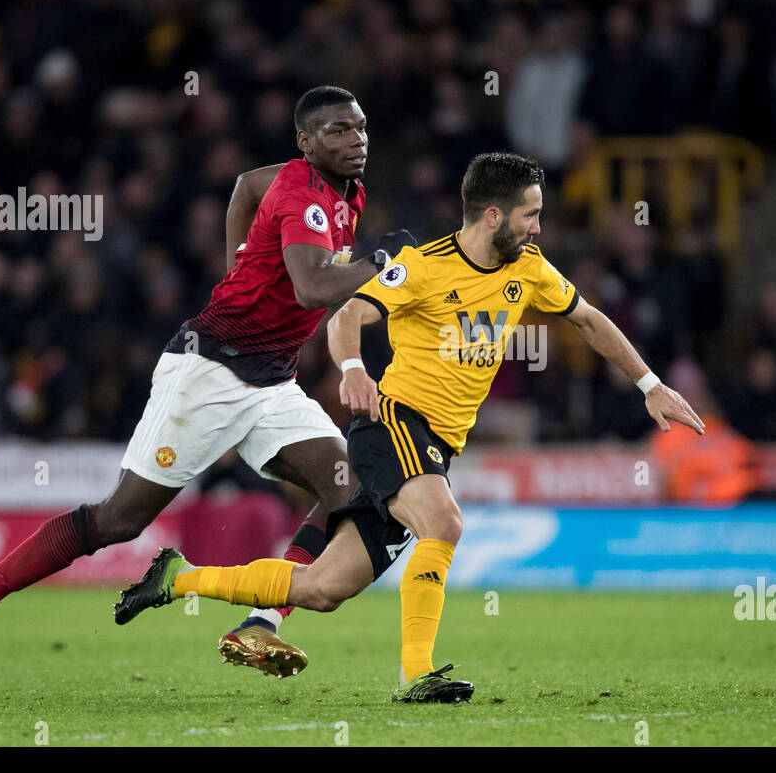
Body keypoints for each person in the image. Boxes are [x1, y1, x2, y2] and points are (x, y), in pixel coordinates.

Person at [113, 152, 705, 702]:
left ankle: (178, 579)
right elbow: (348, 314)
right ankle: (416, 676)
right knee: (444, 522)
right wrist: (351, 369)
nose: (538, 229)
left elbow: (588, 319)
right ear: (493, 215)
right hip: (394, 424)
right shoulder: (423, 267)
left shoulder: (529, 269)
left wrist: (651, 386)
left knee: (323, 588)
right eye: (531, 216)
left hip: (437, 447)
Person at [0, 86, 412, 687]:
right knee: (120, 519)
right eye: (338, 131)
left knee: (351, 487)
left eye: (360, 128)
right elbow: (312, 288)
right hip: (208, 372)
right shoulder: (303, 191)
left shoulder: (341, 191)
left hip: (272, 380)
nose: (355, 140)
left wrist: (239, 257)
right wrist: (385, 262)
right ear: (306, 144)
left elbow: (243, 187)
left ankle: (261, 622)